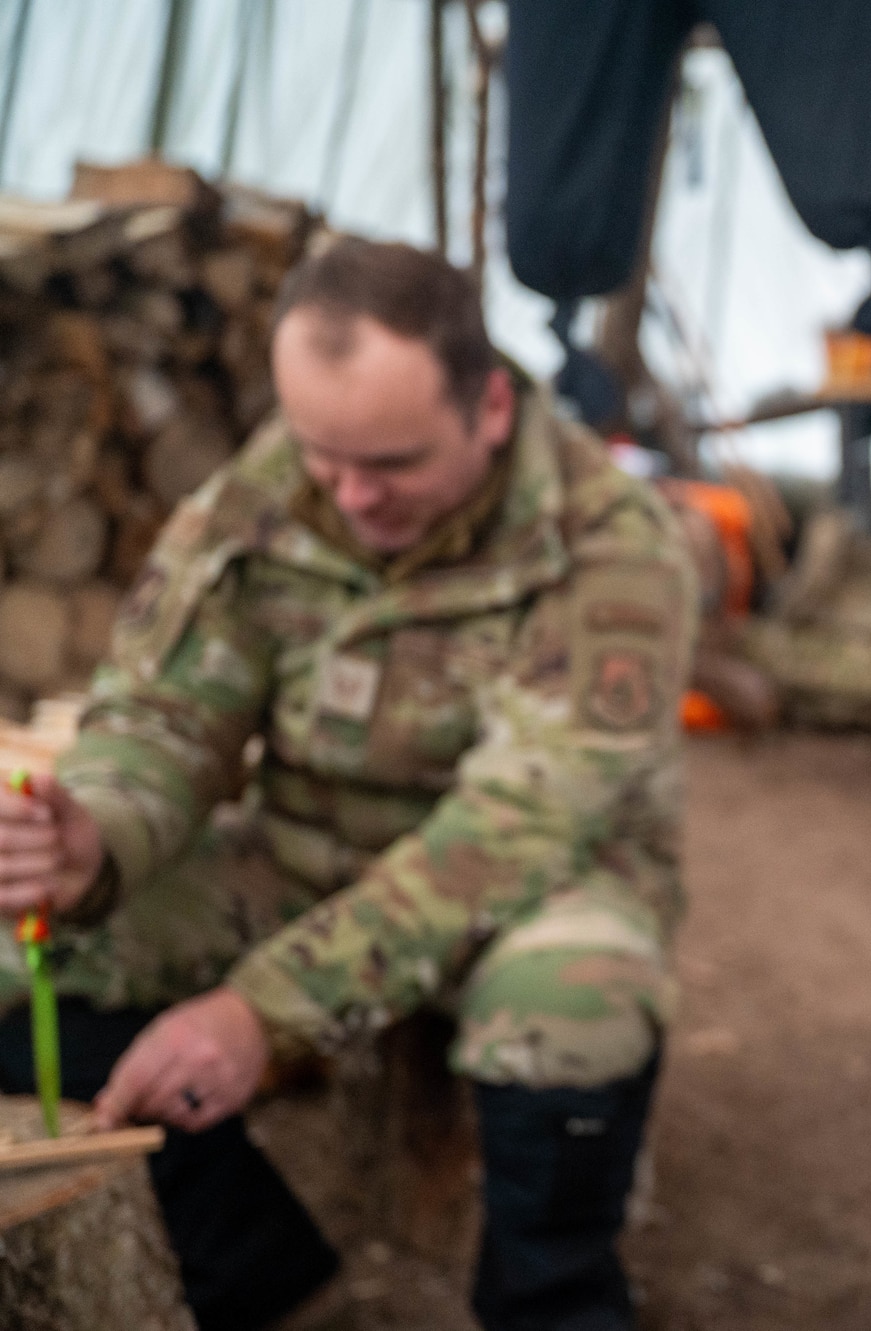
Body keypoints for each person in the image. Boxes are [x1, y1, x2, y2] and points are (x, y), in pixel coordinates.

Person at [0, 237, 696, 1331]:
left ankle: (552, 1298)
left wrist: (263, 1012)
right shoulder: (265, 492)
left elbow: (517, 825)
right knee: (29, 946)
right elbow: (166, 715)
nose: (352, 494)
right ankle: (258, 1272)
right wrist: (103, 836)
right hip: (304, 854)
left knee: (569, 1003)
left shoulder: (613, 541)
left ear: (493, 409)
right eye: (324, 454)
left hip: (542, 882)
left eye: (395, 463)